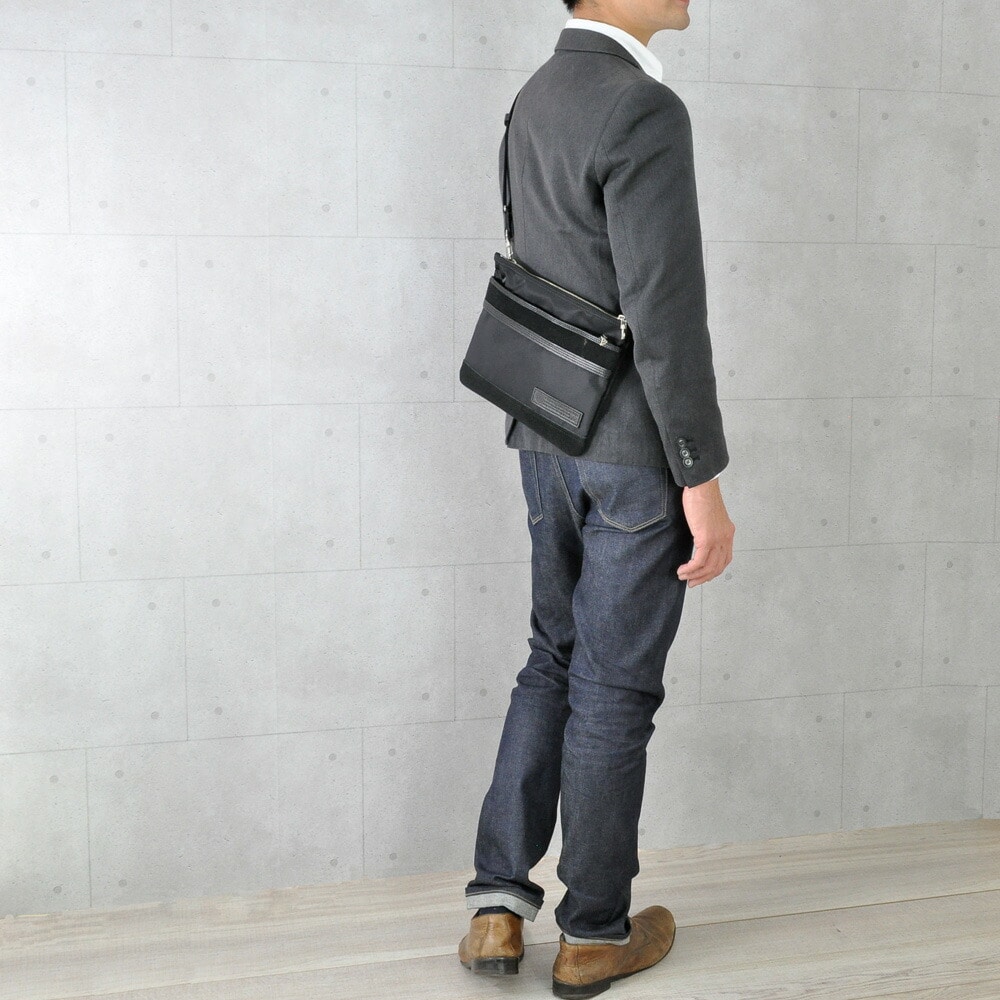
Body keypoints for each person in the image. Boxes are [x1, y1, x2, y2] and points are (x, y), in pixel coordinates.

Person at [458, 1, 736, 996]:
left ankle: (497, 908)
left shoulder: (535, 96)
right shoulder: (642, 108)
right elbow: (665, 311)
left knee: (552, 658)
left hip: (544, 428)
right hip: (630, 453)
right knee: (612, 689)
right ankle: (593, 932)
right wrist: (701, 478)